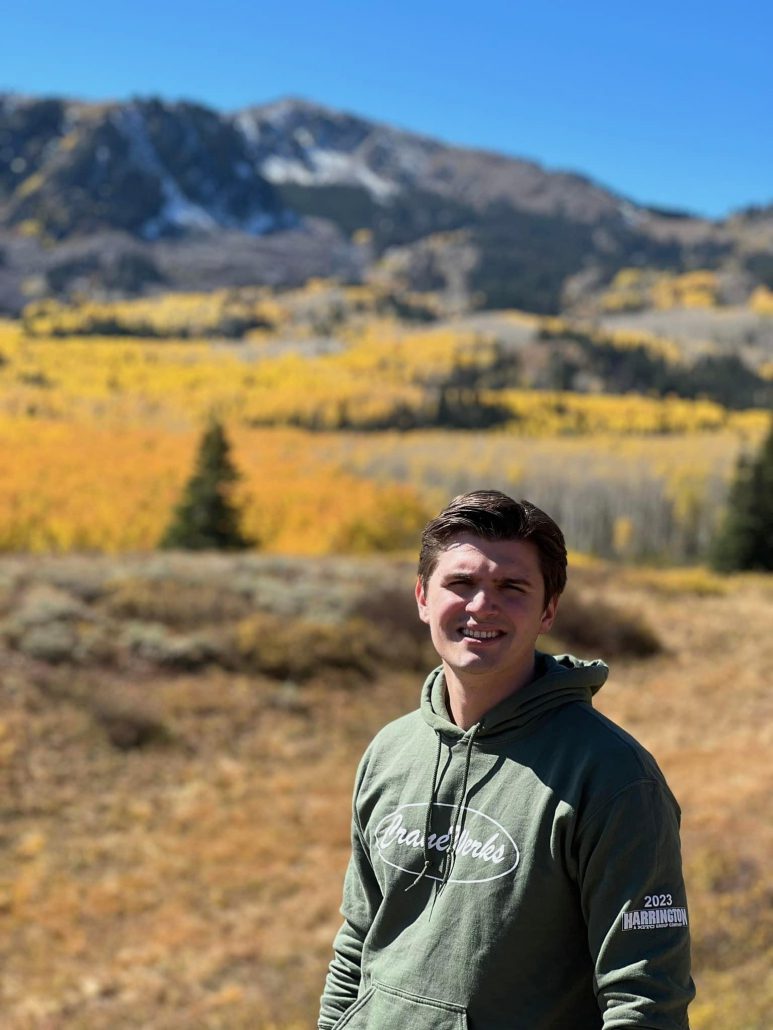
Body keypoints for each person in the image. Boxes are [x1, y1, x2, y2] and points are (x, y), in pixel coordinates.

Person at [319, 490, 694, 1030]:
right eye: (460, 583)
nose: (481, 606)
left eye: (511, 587)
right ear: (423, 597)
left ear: (548, 610)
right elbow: (358, 941)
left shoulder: (612, 777)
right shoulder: (390, 751)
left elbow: (646, 998)